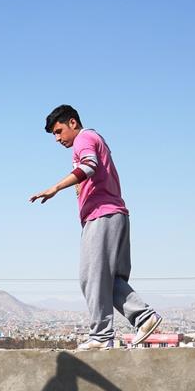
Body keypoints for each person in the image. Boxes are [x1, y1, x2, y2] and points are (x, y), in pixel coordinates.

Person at [30, 105, 162, 349]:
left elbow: (89, 166)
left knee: (91, 277)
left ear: (72, 122)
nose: (57, 139)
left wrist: (55, 188)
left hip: (102, 216)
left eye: (59, 131)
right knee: (106, 279)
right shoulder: (92, 140)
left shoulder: (84, 138)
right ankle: (144, 318)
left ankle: (101, 336)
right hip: (114, 215)